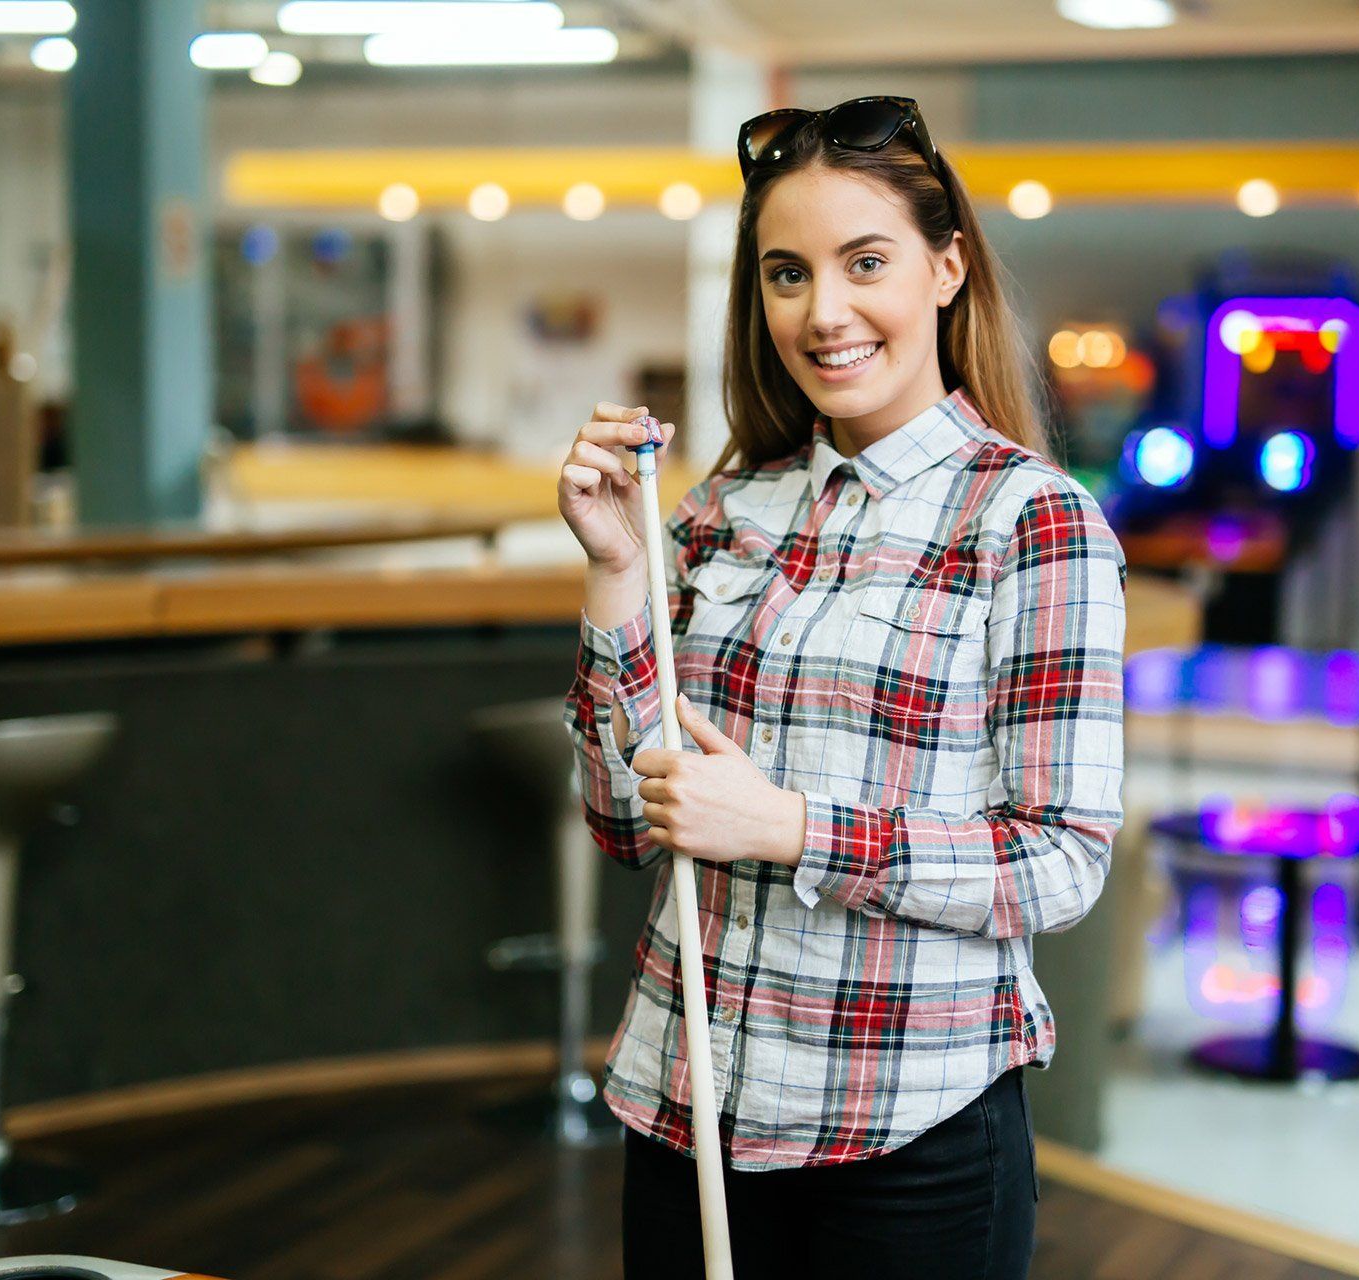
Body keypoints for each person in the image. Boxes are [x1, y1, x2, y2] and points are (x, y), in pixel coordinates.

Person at [556, 95, 1127, 1279]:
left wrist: (790, 828)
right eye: (785, 273)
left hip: (910, 1134)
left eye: (865, 262)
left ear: (946, 267)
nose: (824, 313)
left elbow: (1062, 858)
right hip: (690, 1110)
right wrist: (618, 571)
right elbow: (622, 821)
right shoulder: (717, 513)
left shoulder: (1034, 523)